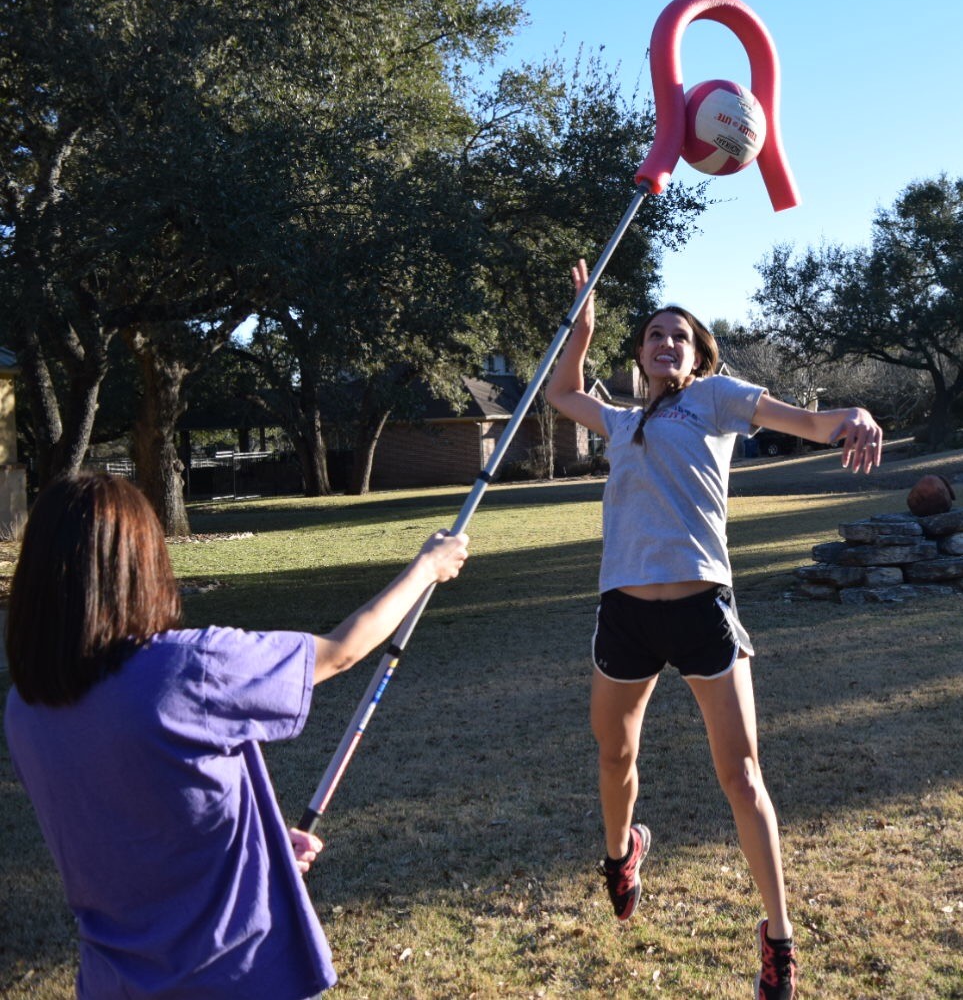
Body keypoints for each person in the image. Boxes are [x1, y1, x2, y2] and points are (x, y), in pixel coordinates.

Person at [545, 260, 883, 1000]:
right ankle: (620, 853)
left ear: (698, 354)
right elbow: (561, 392)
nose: (665, 341)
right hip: (624, 615)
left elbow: (803, 421)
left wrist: (847, 419)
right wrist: (584, 327)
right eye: (652, 335)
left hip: (702, 611)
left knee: (741, 775)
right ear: (638, 355)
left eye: (678, 335)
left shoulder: (718, 399)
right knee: (613, 755)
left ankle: (778, 936)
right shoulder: (624, 420)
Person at [4, 471, 469, 1000]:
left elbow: (136, 835)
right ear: (139, 565)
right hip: (240, 977)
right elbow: (341, 650)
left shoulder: (24, 709)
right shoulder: (187, 668)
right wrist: (427, 567)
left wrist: (262, 849)